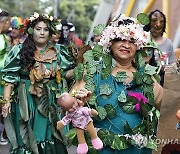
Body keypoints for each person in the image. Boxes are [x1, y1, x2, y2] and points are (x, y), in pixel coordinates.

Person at [66, 14, 163, 154]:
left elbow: (167, 107)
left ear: (138, 45)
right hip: (103, 149)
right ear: (110, 42)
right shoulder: (93, 71)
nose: (126, 45)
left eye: (131, 40)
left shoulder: (146, 76)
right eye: (120, 39)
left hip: (137, 150)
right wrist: (79, 102)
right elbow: (68, 105)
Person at [1, 12, 74, 153]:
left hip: (49, 99)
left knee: (49, 132)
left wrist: (80, 69)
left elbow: (65, 74)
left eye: (45, 29)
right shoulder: (20, 50)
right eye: (38, 29)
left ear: (50, 32)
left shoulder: (58, 51)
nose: (42, 33)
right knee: (27, 135)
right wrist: (6, 101)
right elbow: (10, 77)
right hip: (26, 99)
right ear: (31, 30)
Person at [143, 9, 176, 86]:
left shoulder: (168, 44)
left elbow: (172, 64)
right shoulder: (143, 40)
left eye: (161, 22)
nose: (158, 24)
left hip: (162, 83)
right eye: (154, 20)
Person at [0, 8, 11, 145]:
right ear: (5, 21)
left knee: (5, 105)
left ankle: (4, 134)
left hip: (4, 77)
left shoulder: (3, 37)